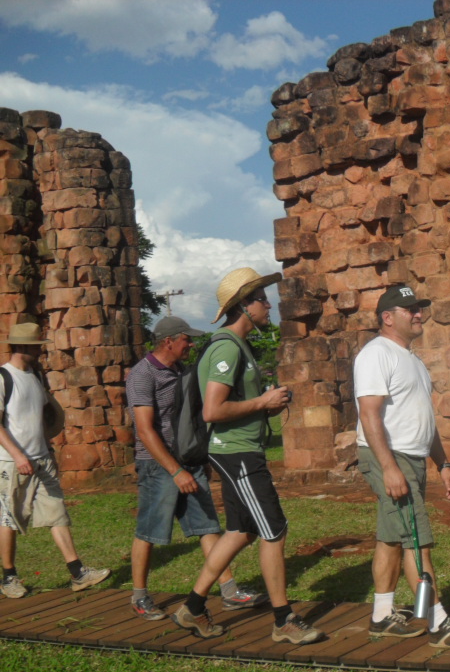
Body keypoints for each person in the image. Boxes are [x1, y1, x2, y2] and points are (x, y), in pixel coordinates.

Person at [170, 268, 323, 645]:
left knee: (243, 531)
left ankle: (192, 607)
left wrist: (265, 405)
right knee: (275, 530)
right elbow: (213, 410)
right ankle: (284, 620)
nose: (268, 305)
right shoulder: (226, 347)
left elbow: (234, 403)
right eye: (261, 300)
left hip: (240, 449)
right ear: (243, 305)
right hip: (236, 453)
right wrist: (262, 402)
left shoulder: (238, 346)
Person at [355, 283, 450, 650]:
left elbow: (423, 418)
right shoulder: (376, 354)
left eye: (419, 308)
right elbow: (369, 414)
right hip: (390, 457)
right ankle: (437, 621)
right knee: (417, 540)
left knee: (392, 537)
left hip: (411, 458)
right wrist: (389, 467)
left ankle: (382, 615)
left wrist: (443, 463)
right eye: (410, 310)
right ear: (387, 317)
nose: (418, 314)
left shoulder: (411, 360)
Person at [126, 315, 267, 620]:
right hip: (158, 465)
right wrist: (175, 471)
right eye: (186, 339)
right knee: (150, 530)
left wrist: (196, 459)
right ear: (168, 342)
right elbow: (145, 430)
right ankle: (139, 596)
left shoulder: (181, 371)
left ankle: (229, 591)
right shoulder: (142, 374)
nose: (190, 344)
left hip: (189, 460)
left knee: (207, 526)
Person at [0, 322, 110, 598]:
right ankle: (8, 577)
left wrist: (47, 449)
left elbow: (41, 417)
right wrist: (18, 455)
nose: (40, 352)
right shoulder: (3, 377)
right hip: (12, 462)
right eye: (36, 347)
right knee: (9, 518)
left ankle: (78, 573)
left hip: (41, 459)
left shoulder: (35, 376)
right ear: (22, 347)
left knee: (57, 512)